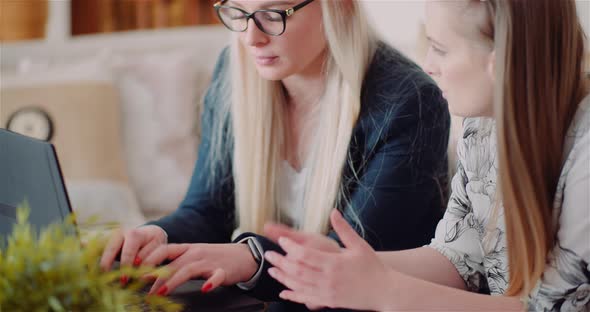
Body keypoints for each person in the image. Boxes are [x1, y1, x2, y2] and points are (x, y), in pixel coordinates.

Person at [100, 0, 450, 306]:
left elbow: (351, 265)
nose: (251, 38)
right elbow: (207, 210)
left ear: (340, 6)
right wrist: (158, 236)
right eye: (238, 12)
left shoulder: (410, 102)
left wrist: (252, 256)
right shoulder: (235, 72)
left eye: (273, 14)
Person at [263, 0, 590, 311]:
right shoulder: (484, 123)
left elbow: (553, 308)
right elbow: (458, 257)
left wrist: (383, 290)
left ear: (501, 62)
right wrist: (342, 262)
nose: (428, 66)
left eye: (440, 49)